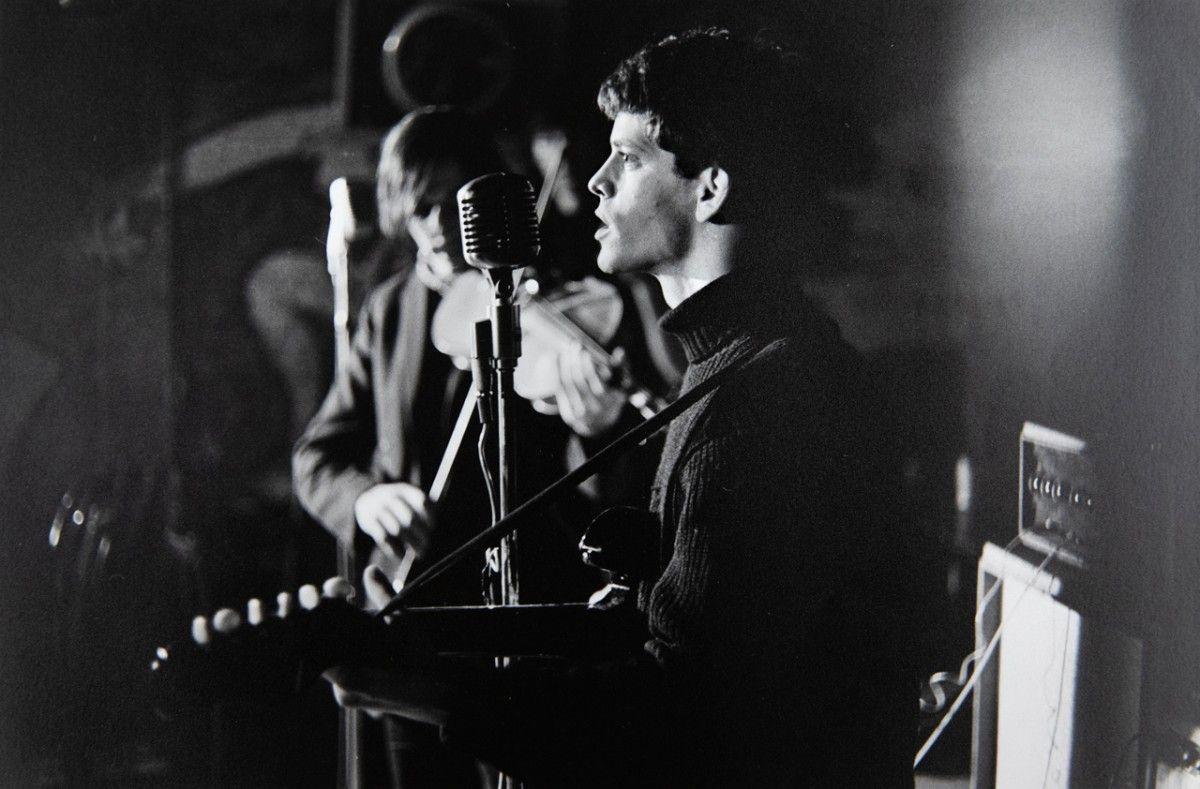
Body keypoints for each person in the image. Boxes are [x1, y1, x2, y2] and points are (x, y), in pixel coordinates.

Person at [292, 106, 679, 786]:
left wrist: (593, 428)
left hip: (523, 629)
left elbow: (600, 499)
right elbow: (317, 456)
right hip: (411, 616)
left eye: (452, 204)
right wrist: (368, 498)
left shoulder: (534, 300)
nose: (437, 227)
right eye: (418, 208)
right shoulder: (386, 313)